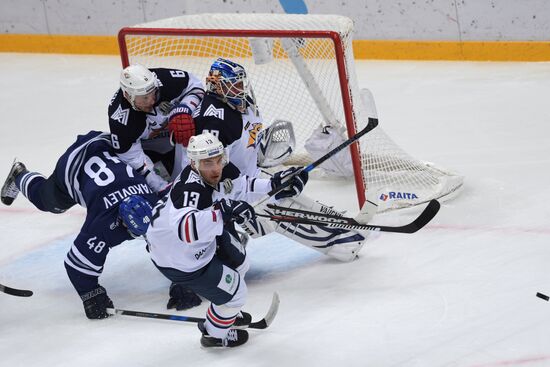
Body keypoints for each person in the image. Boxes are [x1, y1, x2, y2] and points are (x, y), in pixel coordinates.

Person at [169, 58, 368, 262]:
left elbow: (246, 138)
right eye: (235, 85)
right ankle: (341, 244)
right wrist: (252, 188)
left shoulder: (239, 104)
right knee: (280, 210)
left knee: (288, 195)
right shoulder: (213, 119)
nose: (241, 89)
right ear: (218, 85)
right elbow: (211, 166)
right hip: (226, 187)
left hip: (246, 176)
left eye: (241, 83)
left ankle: (342, 231)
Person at [146, 132, 308, 348]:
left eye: (218, 160)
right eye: (207, 163)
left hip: (198, 238)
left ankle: (224, 311)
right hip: (177, 256)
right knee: (237, 294)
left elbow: (243, 187)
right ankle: (214, 334)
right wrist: (222, 212)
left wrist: (277, 184)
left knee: (240, 262)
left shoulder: (218, 170)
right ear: (193, 164)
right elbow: (186, 230)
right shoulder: (190, 189)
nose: (215, 168)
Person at [0, 131, 158, 319]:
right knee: (48, 202)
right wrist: (90, 293)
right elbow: (76, 265)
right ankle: (20, 175)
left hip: (108, 145)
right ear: (121, 221)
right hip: (74, 165)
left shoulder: (155, 202)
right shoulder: (103, 223)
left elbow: (165, 238)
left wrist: (179, 280)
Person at [109, 64, 204, 193]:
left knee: (185, 124)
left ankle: (195, 176)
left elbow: (196, 87)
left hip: (175, 139)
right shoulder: (121, 121)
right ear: (127, 95)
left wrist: (184, 109)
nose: (151, 101)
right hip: (147, 150)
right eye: (144, 98)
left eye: (153, 94)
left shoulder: (165, 80)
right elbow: (134, 160)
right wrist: (162, 188)